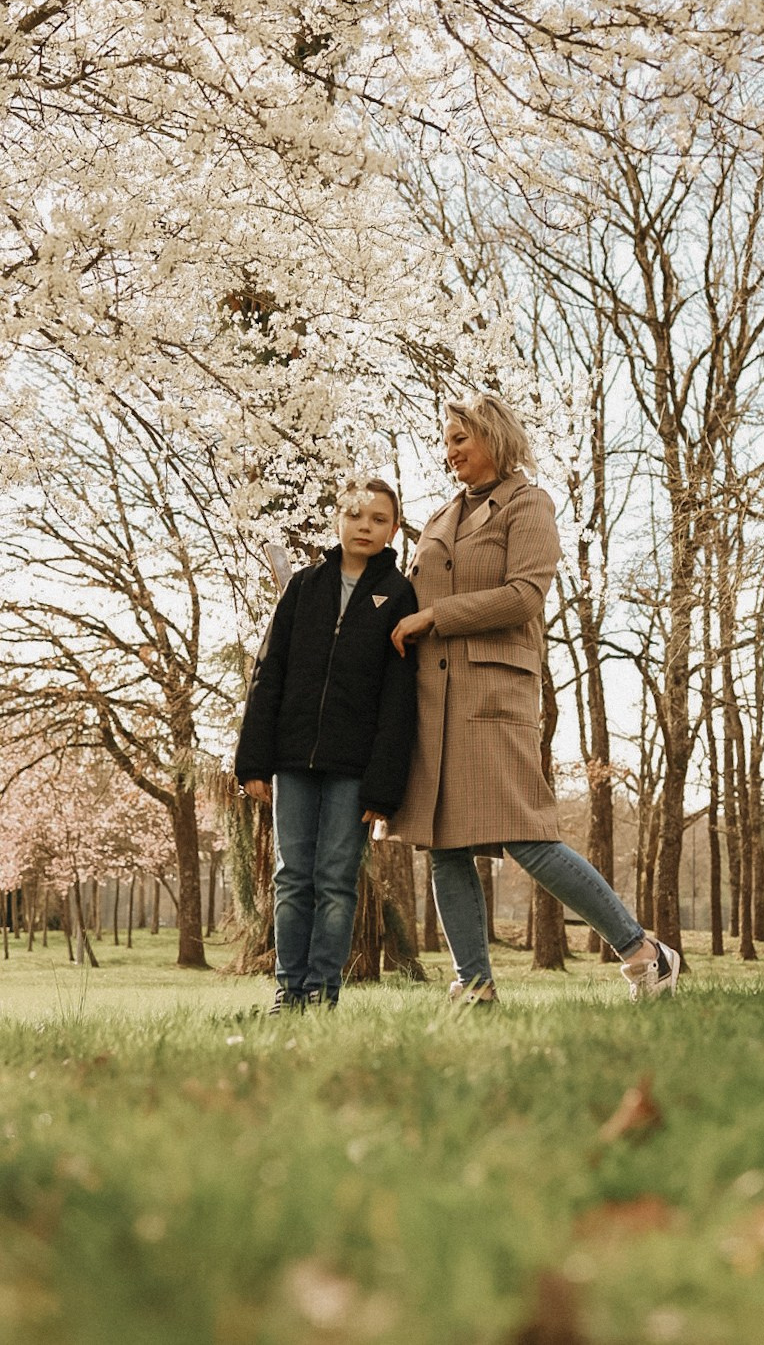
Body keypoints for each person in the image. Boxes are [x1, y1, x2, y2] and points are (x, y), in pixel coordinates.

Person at [390, 394, 680, 1004]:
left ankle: (643, 952)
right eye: (446, 442)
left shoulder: (529, 503)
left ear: (493, 437)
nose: (450, 453)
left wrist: (436, 617)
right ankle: (475, 985)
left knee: (527, 835)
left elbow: (524, 596)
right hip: (431, 700)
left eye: (459, 441)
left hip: (493, 695)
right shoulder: (441, 515)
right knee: (444, 844)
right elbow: (409, 601)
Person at [235, 477, 417, 1012]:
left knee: (336, 879)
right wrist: (253, 761)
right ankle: (287, 991)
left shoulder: (400, 594)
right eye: (356, 515)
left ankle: (322, 991)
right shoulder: (305, 587)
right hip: (293, 760)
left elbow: (399, 698)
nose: (366, 526)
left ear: (394, 529)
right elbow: (269, 674)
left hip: (354, 769)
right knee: (292, 877)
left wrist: (383, 787)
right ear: (338, 519)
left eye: (379, 519)